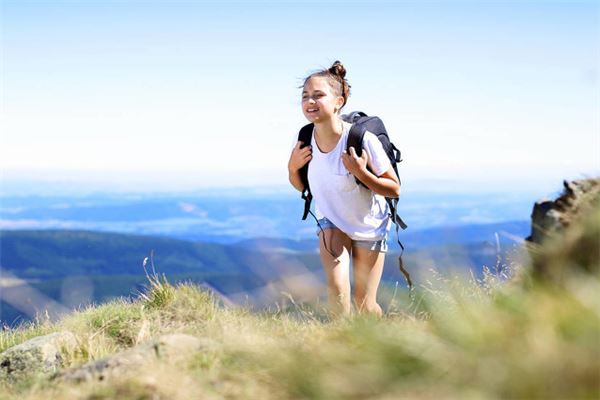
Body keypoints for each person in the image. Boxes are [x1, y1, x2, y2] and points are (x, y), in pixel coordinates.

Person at [287, 61, 401, 318]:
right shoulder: (304, 138)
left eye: (318, 95)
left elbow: (394, 189)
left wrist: (361, 172)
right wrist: (292, 169)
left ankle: (377, 339)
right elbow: (302, 186)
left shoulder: (361, 140)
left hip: (369, 224)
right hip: (331, 220)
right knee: (337, 288)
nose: (310, 101)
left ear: (339, 102)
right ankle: (340, 340)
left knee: (365, 305)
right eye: (305, 96)